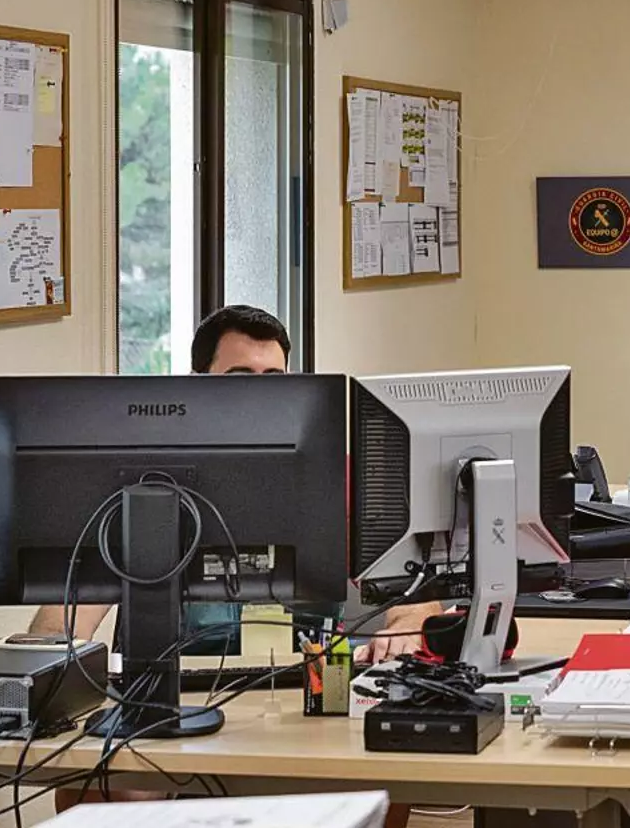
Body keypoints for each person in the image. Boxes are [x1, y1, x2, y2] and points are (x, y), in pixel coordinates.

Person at [37, 305, 433, 827]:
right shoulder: (142, 487)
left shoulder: (334, 479)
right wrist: (53, 661)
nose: (259, 396)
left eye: (275, 379)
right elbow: (58, 624)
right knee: (96, 788)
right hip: (176, 707)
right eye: (240, 378)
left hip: (307, 704)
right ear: (197, 386)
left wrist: (410, 623)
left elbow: (417, 597)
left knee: (387, 774)